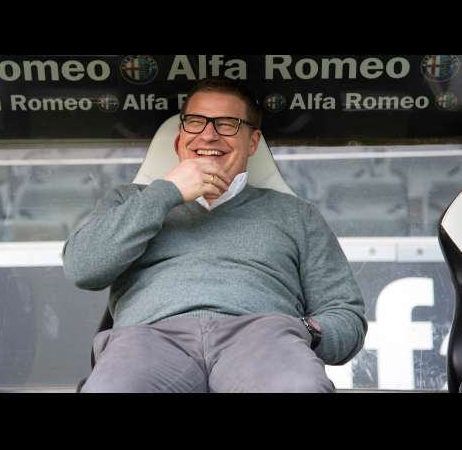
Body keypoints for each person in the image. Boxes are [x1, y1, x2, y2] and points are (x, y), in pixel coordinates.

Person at [62, 77, 367, 393]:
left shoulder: (296, 214)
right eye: (195, 122)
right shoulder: (130, 201)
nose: (208, 134)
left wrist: (302, 331)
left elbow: (346, 318)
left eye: (227, 124)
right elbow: (83, 269)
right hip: (147, 340)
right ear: (179, 141)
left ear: (253, 142)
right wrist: (168, 192)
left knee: (297, 387)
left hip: (263, 340)